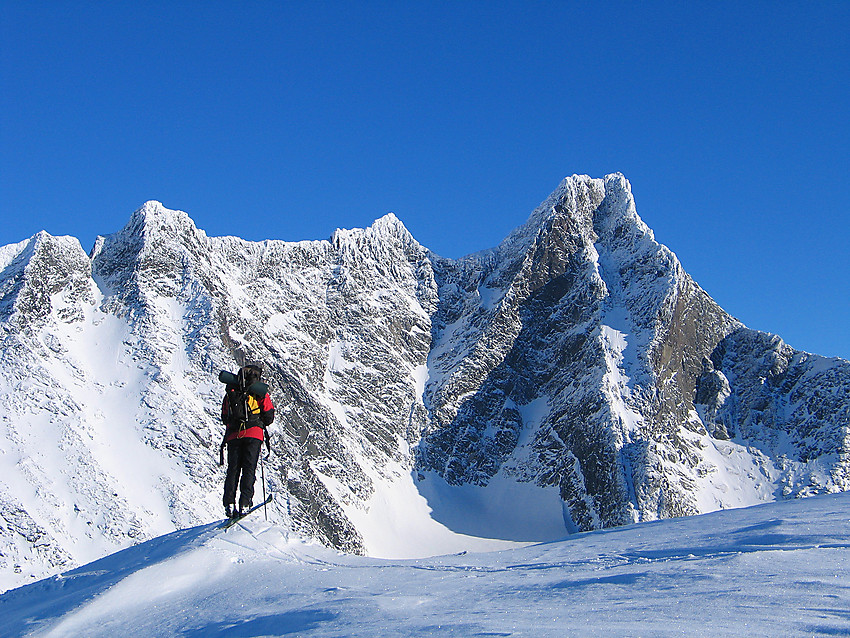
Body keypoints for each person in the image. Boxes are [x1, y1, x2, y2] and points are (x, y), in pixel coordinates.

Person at [220, 364, 274, 517]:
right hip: (254, 435)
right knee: (249, 469)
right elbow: (269, 416)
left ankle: (229, 503)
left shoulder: (231, 391)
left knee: (233, 470)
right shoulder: (259, 392)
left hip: (233, 435)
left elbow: (224, 416)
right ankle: (245, 502)